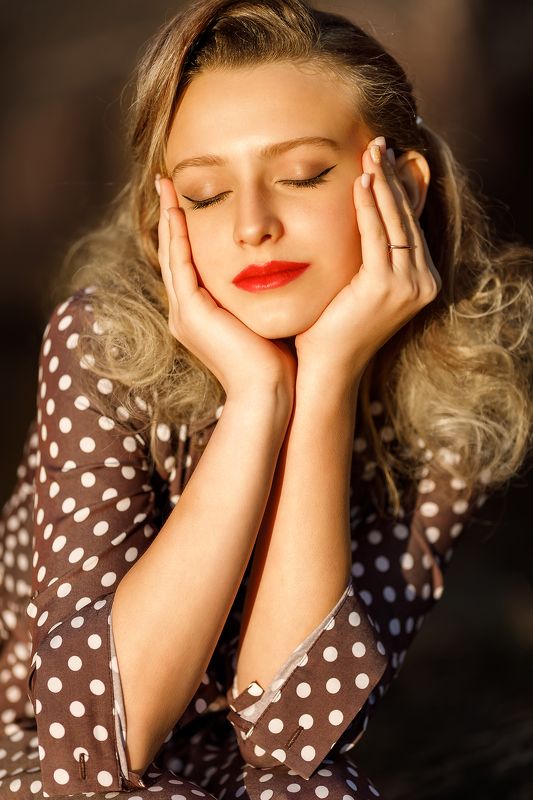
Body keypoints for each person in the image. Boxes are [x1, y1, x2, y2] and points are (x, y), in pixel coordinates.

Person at [0, 0, 531, 797]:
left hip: (238, 765)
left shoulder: (448, 407)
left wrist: (322, 387)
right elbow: (88, 741)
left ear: (401, 185)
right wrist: (255, 398)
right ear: (162, 225)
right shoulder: (101, 345)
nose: (252, 224)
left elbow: (292, 736)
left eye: (302, 175)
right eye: (207, 193)